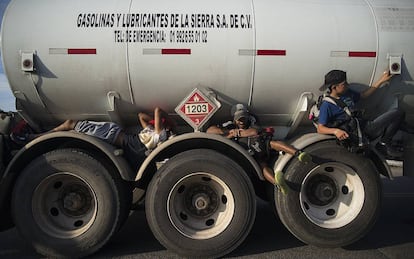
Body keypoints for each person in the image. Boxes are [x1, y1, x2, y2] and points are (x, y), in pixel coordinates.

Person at [207, 104, 311, 194]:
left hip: (260, 144)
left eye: (243, 118)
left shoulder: (252, 119)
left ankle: (298, 154)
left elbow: (254, 132)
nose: (242, 121)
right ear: (234, 119)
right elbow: (209, 131)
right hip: (249, 152)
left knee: (273, 143)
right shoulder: (229, 125)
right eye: (239, 119)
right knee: (262, 167)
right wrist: (225, 132)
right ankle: (278, 183)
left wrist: (237, 133)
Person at [317, 69, 408, 158]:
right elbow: (320, 128)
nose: (348, 85)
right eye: (344, 84)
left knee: (398, 120)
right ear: (334, 87)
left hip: (363, 125)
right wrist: (336, 131)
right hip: (363, 130)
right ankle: (383, 143)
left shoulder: (347, 93)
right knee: (398, 113)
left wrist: (381, 80)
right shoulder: (327, 105)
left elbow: (364, 95)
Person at [48, 107, 175, 170]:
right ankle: (44, 134)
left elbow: (156, 111)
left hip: (110, 134)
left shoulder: (159, 136)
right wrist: (160, 123)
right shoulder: (152, 133)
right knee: (71, 126)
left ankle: (43, 134)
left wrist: (166, 121)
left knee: (71, 124)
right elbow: (141, 116)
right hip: (111, 134)